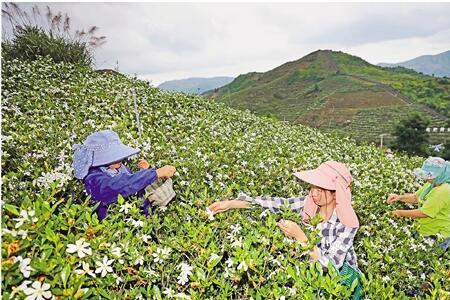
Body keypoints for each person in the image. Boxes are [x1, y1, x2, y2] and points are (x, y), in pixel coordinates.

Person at [208, 161, 360, 272]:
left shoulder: (347, 223)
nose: (314, 193)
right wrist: (232, 204)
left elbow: (331, 266)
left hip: (337, 284)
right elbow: (274, 204)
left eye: (320, 190)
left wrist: (301, 237)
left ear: (335, 193)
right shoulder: (309, 205)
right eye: (313, 187)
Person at [72, 130, 176, 220]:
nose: (120, 159)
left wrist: (147, 170)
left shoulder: (122, 168)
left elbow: (136, 188)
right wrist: (154, 173)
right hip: (113, 228)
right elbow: (117, 186)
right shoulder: (93, 178)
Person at [388, 157, 450, 250]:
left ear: (441, 174)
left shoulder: (444, 190)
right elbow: (416, 197)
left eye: (430, 175)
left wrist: (400, 213)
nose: (427, 178)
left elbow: (424, 213)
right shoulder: (432, 183)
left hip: (436, 234)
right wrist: (399, 197)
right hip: (423, 230)